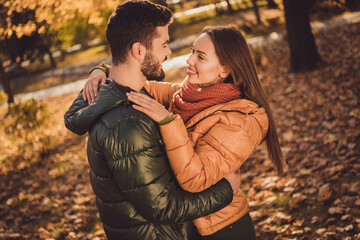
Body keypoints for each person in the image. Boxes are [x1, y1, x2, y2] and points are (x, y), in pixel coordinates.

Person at [85, 26, 287, 239]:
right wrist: (102, 71)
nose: (189, 60)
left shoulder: (242, 120)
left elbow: (195, 179)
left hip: (222, 228)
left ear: (225, 70)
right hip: (188, 224)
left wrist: (168, 121)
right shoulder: (187, 94)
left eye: (200, 56)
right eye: (192, 51)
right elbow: (138, 86)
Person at [64, 1, 242, 240]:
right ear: (138, 51)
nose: (168, 52)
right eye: (164, 44)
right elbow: (164, 206)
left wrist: (100, 70)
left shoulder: (121, 96)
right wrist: (226, 189)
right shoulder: (127, 123)